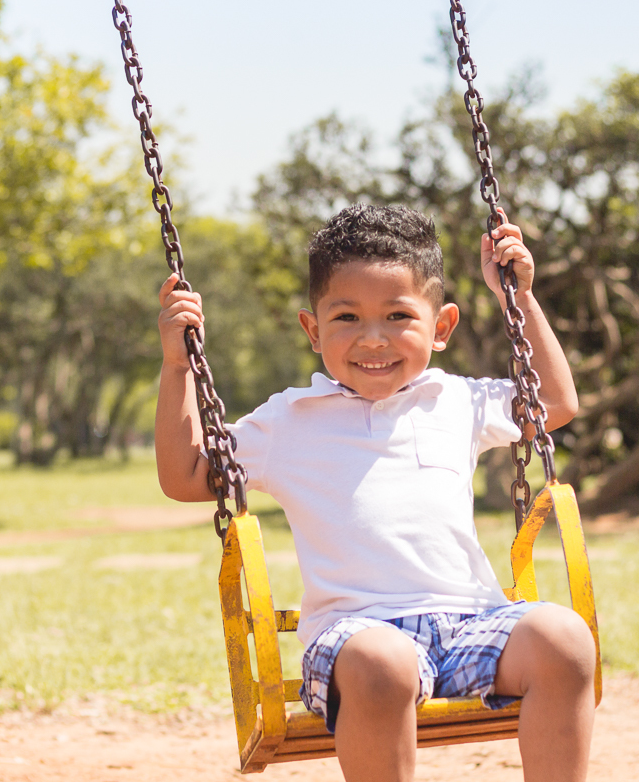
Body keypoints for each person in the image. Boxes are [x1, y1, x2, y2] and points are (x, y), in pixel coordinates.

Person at [155, 203, 595, 782]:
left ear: (441, 328)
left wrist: (522, 298)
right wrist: (178, 364)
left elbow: (554, 403)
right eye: (346, 317)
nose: (373, 338)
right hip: (357, 637)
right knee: (385, 663)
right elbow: (187, 474)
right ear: (313, 330)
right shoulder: (290, 421)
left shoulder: (457, 401)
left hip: (472, 622)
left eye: (397, 315)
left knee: (564, 639)